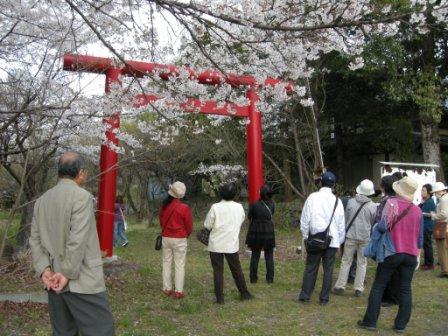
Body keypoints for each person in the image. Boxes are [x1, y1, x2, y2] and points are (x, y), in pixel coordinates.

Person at [29, 152, 114, 336]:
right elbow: (77, 240)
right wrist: (66, 273)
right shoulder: (82, 197)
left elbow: (34, 240)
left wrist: (45, 270)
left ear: (59, 172)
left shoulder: (41, 201)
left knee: (63, 332)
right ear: (81, 173)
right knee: (102, 331)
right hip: (82, 280)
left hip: (53, 281)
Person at [358, 176, 423, 333]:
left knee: (379, 285)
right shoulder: (418, 210)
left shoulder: (391, 203)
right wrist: (418, 256)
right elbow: (419, 238)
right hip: (411, 254)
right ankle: (400, 325)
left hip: (392, 251)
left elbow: (383, 226)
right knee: (405, 289)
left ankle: (370, 321)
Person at [298, 171, 345, 305]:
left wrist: (306, 236)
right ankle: (324, 298)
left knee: (311, 267)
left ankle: (305, 295)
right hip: (332, 240)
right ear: (333, 185)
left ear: (320, 182)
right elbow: (341, 224)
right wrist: (339, 241)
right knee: (328, 270)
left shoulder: (313, 197)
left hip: (314, 238)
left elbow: (305, 219)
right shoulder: (338, 201)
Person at [204, 183, 253, 304]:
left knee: (218, 271)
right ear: (234, 194)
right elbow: (241, 219)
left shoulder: (215, 207)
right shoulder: (239, 207)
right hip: (231, 243)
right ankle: (244, 293)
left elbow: (207, 225)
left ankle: (220, 299)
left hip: (216, 244)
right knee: (237, 269)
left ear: (221, 194)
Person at [333, 179, 377, 297]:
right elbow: (373, 223)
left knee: (346, 260)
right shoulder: (373, 207)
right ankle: (358, 288)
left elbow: (346, 219)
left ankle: (340, 285)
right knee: (362, 262)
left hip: (351, 236)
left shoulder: (350, 202)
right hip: (365, 237)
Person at [159, 181, 193, 299]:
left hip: (166, 237)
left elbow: (161, 221)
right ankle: (178, 291)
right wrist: (186, 234)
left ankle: (167, 288)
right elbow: (189, 226)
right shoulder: (184, 208)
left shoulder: (164, 206)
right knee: (179, 265)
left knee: (166, 263)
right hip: (180, 238)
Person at [376, 175, 400, 307]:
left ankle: (388, 297)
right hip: (397, 238)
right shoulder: (398, 200)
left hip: (386, 238)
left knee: (385, 267)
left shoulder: (386, 201)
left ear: (383, 187)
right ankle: (393, 296)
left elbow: (380, 221)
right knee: (394, 269)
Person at [246, 185, 275, 284]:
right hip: (268, 230)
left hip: (256, 231)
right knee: (269, 255)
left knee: (255, 255)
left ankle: (253, 278)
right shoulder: (272, 205)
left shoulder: (254, 205)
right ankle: (270, 279)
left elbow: (249, 217)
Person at [429, 182, 448, 278]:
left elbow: (444, 214)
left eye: (435, 192)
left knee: (442, 250)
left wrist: (433, 215)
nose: (435, 194)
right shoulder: (445, 198)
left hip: (443, 227)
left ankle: (445, 271)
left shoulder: (444, 200)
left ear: (440, 191)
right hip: (445, 227)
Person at [419, 183, 436, 270]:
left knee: (427, 244)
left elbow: (432, 214)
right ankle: (427, 262)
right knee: (426, 245)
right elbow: (418, 209)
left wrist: (423, 213)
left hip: (428, 225)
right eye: (422, 190)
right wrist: (421, 203)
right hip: (424, 225)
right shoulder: (425, 201)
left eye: (424, 190)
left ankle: (430, 264)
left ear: (429, 192)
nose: (422, 192)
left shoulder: (430, 202)